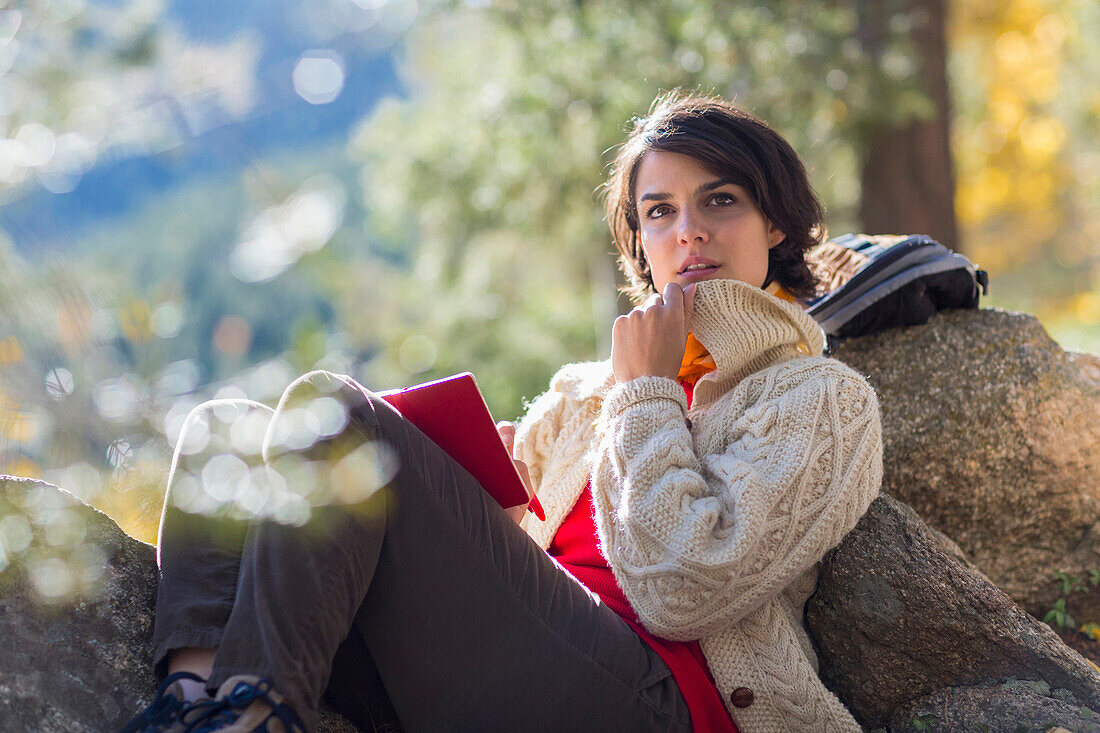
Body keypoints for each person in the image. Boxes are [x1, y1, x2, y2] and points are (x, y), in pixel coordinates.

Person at [121, 91, 882, 733]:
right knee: (223, 426)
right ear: (641, 241)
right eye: (659, 211)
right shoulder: (583, 389)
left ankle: (258, 714)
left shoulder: (818, 397)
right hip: (499, 667)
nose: (688, 231)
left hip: (657, 697)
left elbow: (683, 591)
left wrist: (646, 392)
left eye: (720, 199)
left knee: (330, 409)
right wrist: (488, 510)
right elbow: (528, 569)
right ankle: (196, 700)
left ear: (774, 222)